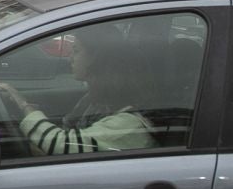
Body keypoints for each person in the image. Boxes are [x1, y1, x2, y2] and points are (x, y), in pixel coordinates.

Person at [15, 27, 156, 155]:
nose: (70, 59)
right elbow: (68, 130)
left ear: (97, 58)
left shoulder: (128, 125)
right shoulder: (95, 100)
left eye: (76, 51)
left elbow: (61, 145)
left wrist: (24, 107)